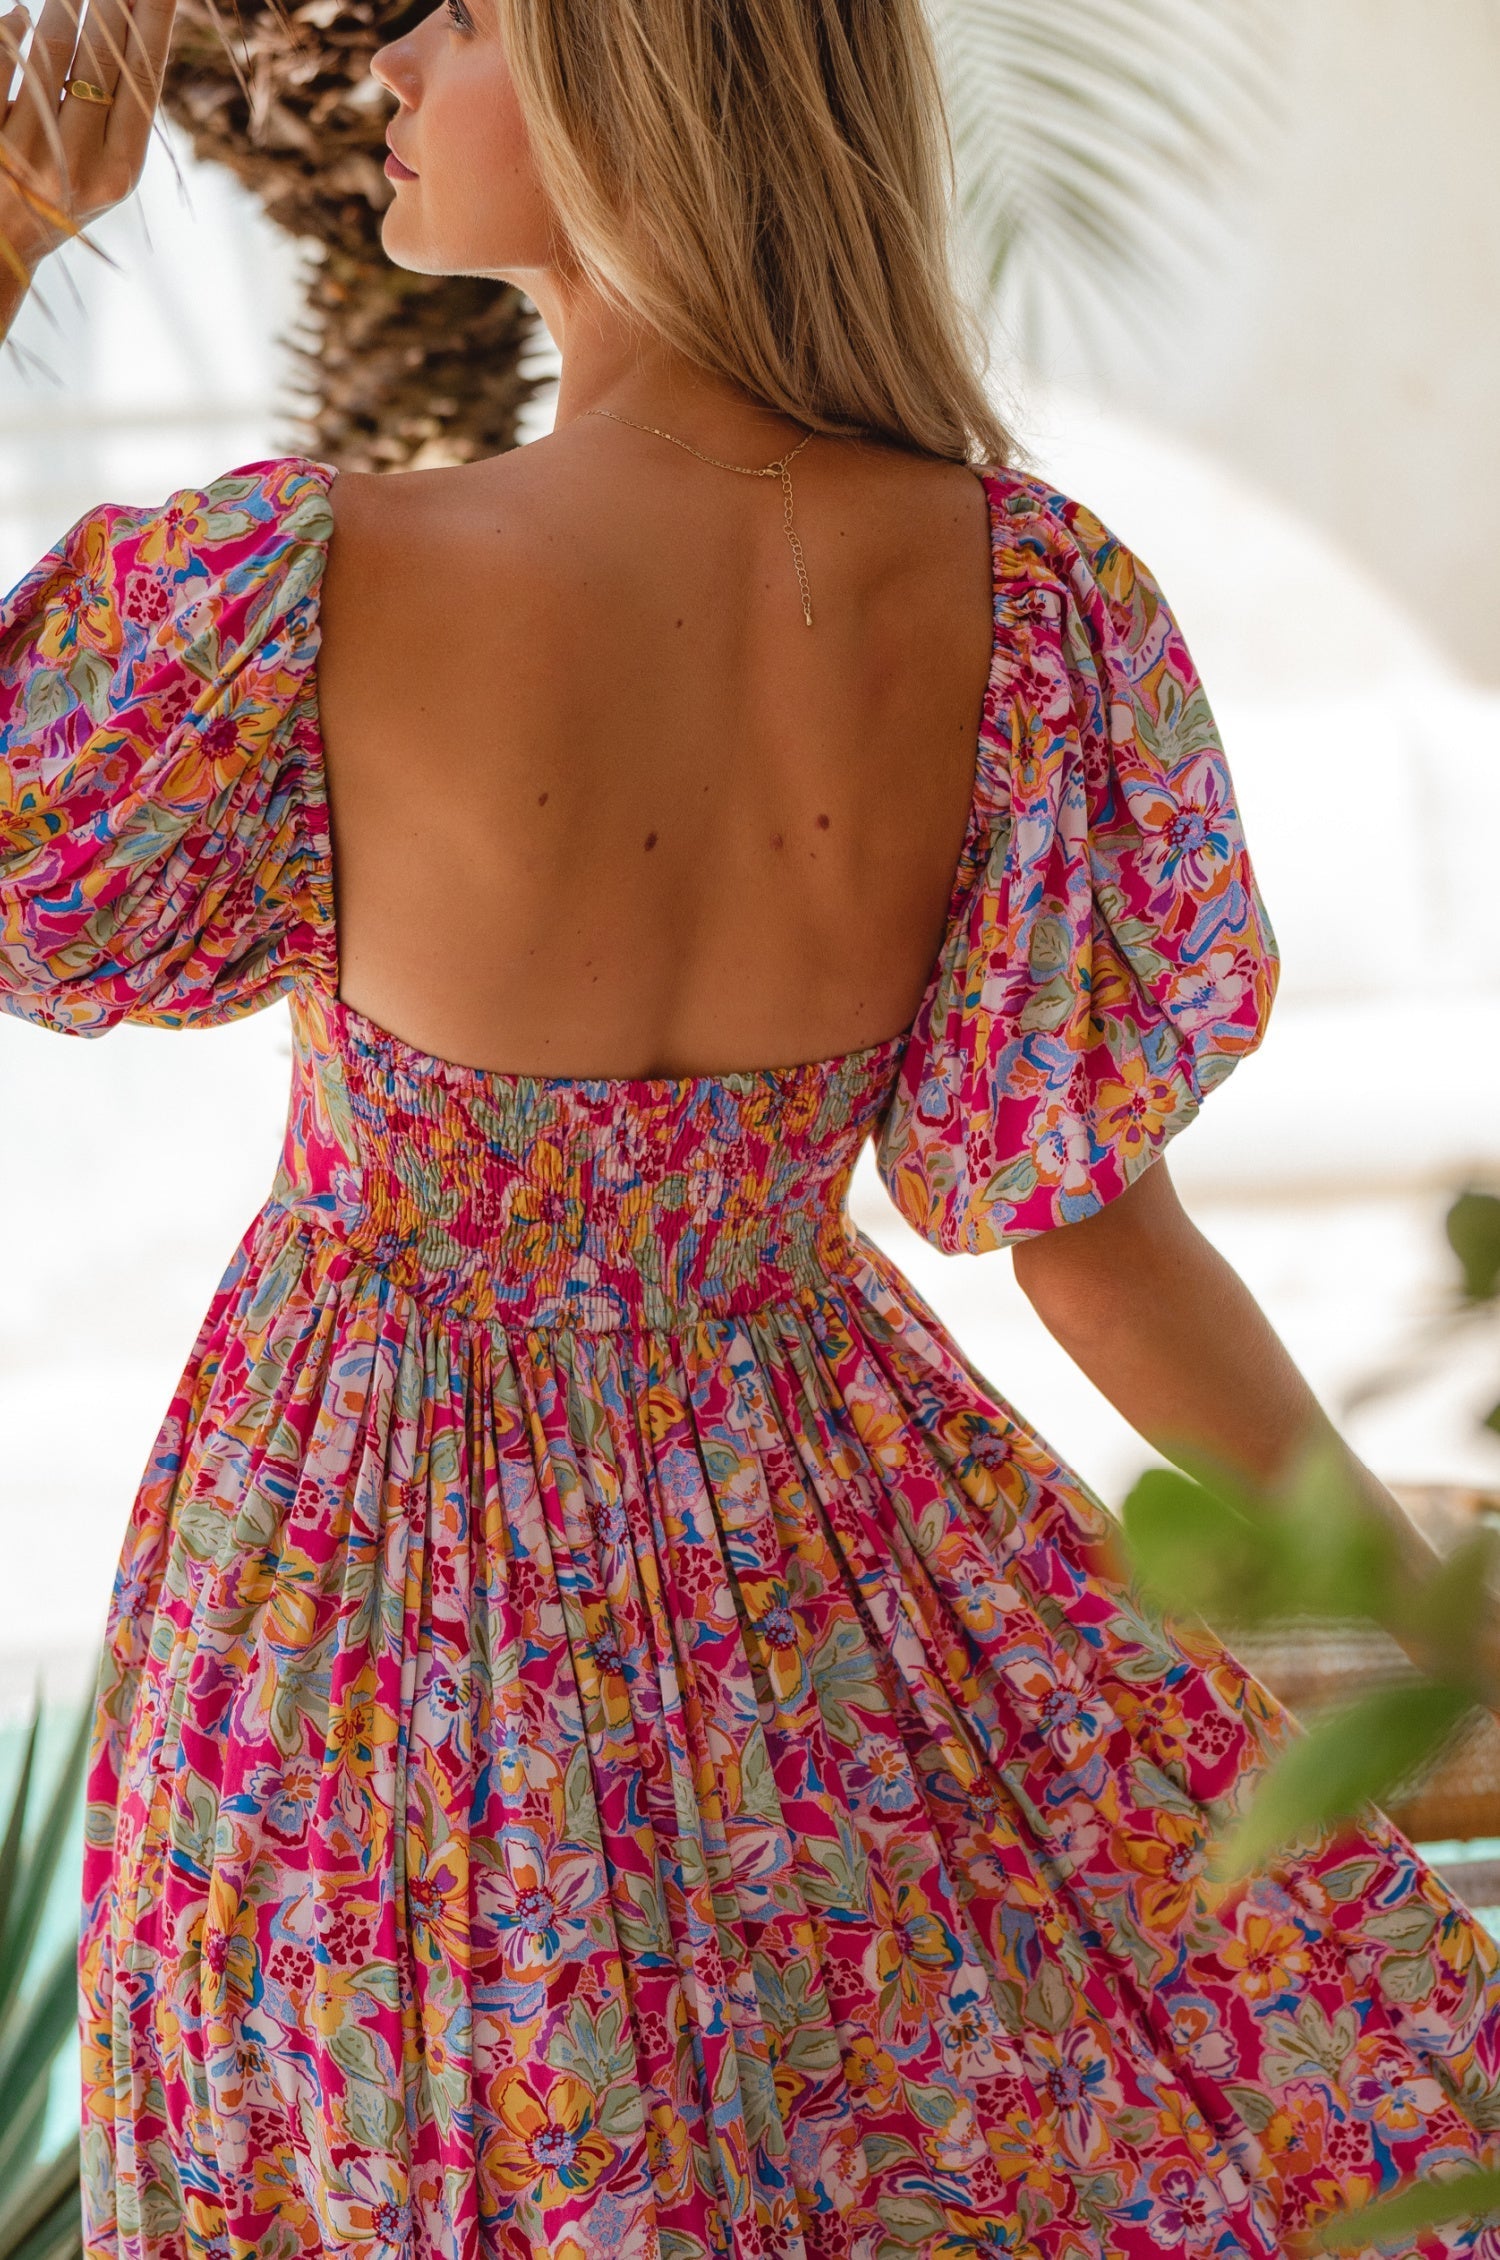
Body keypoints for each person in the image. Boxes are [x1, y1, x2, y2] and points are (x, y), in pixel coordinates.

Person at [3, 0, 1498, 2253]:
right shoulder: (1030, 603)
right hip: (825, 1610)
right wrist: (1425, 1622)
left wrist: (16, 220)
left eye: (466, 16)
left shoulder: (310, 590)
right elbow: (1093, 1232)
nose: (387, 68)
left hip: (353, 1620)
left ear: (634, 84)